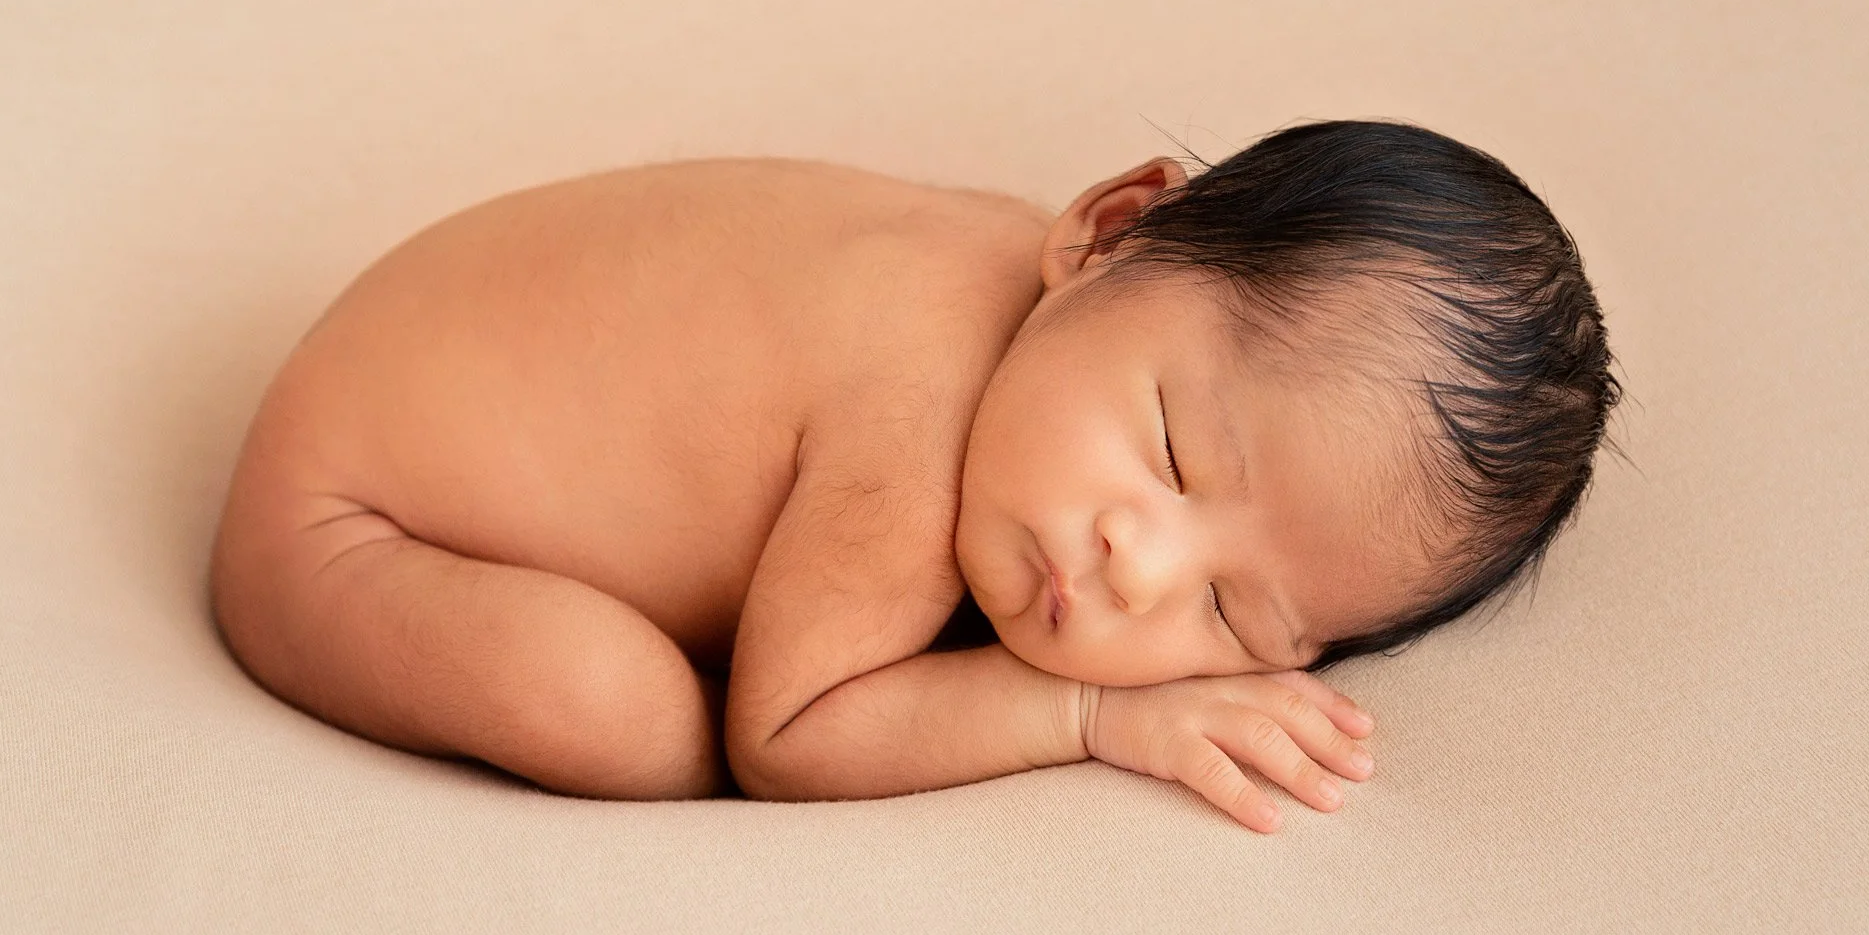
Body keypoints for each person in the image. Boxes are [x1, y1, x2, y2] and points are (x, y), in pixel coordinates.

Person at [208, 119, 1621, 834]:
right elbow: (788, 742)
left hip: (419, 345)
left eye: (1231, 615)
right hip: (340, 526)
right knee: (633, 724)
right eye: (1174, 452)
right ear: (1108, 230)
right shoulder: (917, 415)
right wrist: (1084, 711)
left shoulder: (1056, 324)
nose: (1139, 567)